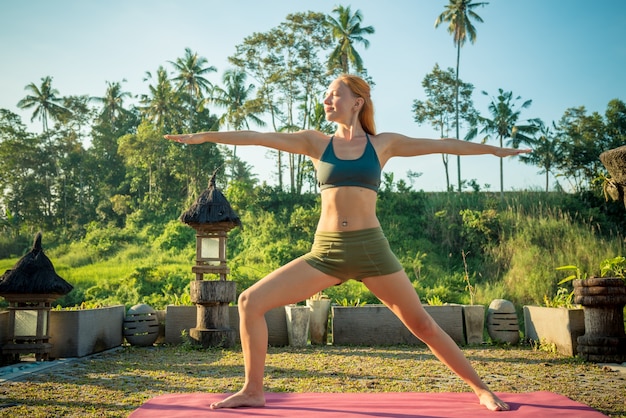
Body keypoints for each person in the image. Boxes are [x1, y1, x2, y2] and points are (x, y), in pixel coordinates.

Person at [165, 74, 530, 412]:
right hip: (326, 253)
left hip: (371, 249)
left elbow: (442, 145)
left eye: (334, 94)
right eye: (325, 96)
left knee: (423, 325)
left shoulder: (383, 144)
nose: (326, 100)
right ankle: (253, 390)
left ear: (357, 101)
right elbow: (258, 137)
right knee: (249, 301)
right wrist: (207, 136)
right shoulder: (316, 142)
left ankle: (481, 389)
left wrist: (493, 151)